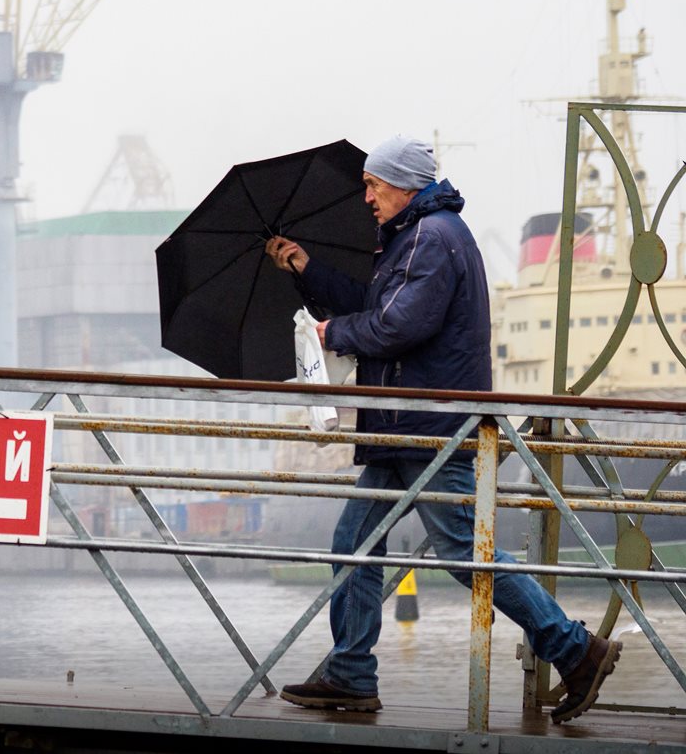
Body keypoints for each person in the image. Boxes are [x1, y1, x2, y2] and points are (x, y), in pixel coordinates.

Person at [264, 135, 620, 724]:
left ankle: (576, 650)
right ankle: (351, 674)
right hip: (407, 428)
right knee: (354, 543)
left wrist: (331, 336)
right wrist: (307, 269)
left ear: (405, 184)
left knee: (463, 552)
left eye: (374, 185)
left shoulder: (432, 239)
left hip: (431, 428)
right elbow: (373, 302)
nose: (367, 196)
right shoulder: (415, 237)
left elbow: (396, 325)